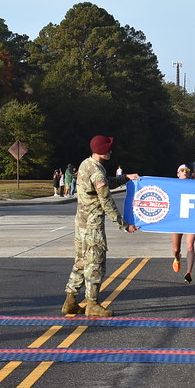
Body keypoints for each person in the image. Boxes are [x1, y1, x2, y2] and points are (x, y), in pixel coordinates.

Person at [61, 136, 140, 317]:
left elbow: (106, 183)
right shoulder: (97, 172)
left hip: (80, 224)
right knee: (95, 263)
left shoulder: (86, 165)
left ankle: (70, 301)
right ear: (102, 150)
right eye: (109, 149)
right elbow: (106, 201)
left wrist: (124, 178)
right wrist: (124, 225)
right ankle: (92, 304)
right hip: (92, 226)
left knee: (80, 262)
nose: (111, 151)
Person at [171, 164, 195, 284]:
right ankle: (177, 258)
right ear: (178, 174)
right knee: (176, 249)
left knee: (190, 246)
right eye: (182, 170)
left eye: (187, 170)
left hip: (191, 220)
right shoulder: (173, 186)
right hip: (176, 221)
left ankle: (189, 272)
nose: (185, 172)